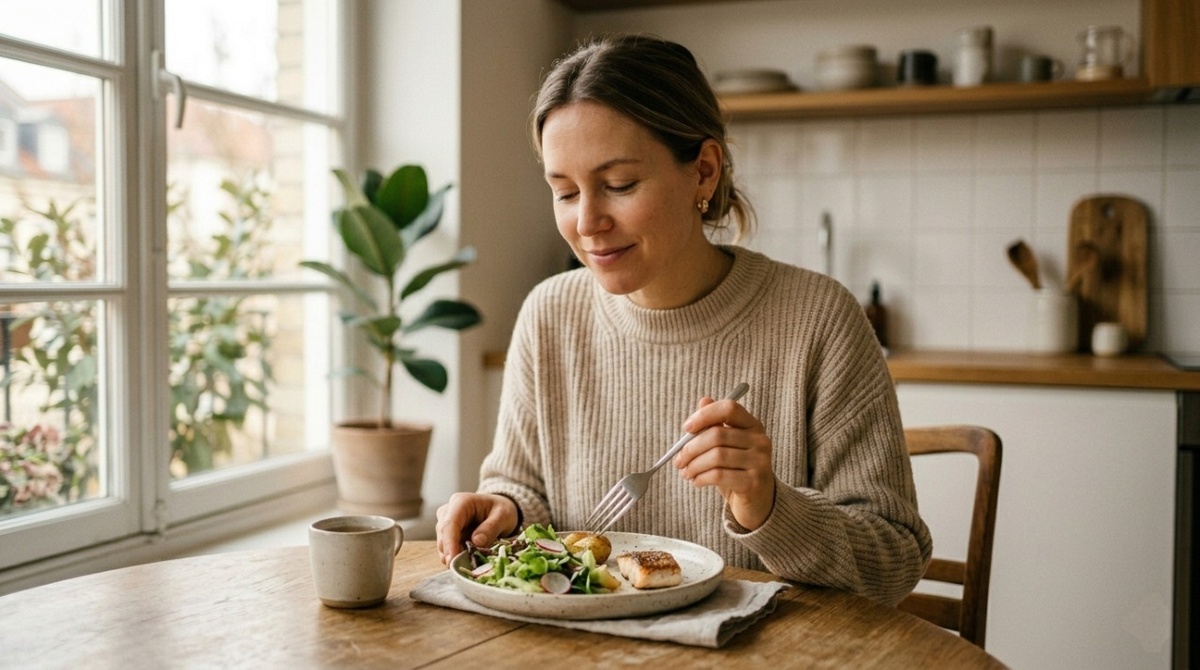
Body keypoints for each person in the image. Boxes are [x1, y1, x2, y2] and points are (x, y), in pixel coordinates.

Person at [436, 33, 931, 606]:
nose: (588, 222)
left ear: (703, 171)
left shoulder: (820, 320)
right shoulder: (550, 315)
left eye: (618, 185)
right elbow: (526, 493)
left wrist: (769, 505)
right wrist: (509, 510)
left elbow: (895, 561)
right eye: (565, 192)